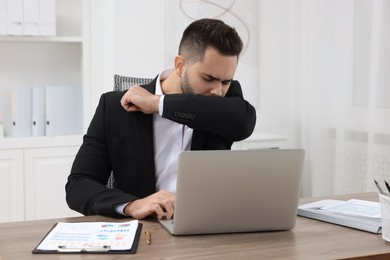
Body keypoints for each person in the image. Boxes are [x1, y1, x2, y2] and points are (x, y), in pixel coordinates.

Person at [66, 18, 257, 220]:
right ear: (180, 65)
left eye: (226, 81)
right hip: (144, 231)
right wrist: (132, 205)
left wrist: (158, 104)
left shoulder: (226, 104)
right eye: (208, 79)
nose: (218, 91)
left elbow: (244, 123)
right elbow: (78, 185)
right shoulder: (114, 107)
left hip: (207, 228)